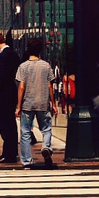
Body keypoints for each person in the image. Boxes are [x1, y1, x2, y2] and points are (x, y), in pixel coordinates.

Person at [16, 38, 56, 169]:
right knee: (46, 129)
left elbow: (21, 87)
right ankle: (46, 146)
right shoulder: (46, 66)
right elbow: (50, 86)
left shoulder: (23, 67)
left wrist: (18, 106)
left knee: (25, 133)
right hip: (43, 103)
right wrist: (54, 104)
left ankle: (27, 161)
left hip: (28, 104)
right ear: (40, 50)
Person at [0, 30, 21, 162]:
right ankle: (10, 152)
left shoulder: (3, 56)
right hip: (11, 92)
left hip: (4, 94)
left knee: (5, 125)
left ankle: (8, 154)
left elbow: (2, 76)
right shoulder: (13, 54)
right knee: (10, 125)